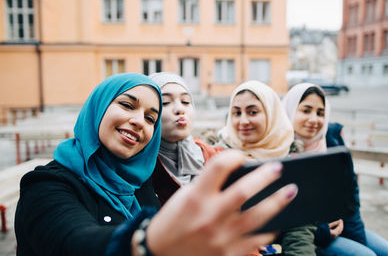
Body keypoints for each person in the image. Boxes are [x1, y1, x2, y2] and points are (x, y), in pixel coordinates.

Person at [14, 73, 299, 256]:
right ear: (98, 107)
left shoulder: (140, 183)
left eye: (151, 118)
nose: (140, 121)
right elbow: (75, 241)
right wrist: (145, 242)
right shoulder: (47, 185)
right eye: (127, 105)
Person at [282, 82, 388, 256]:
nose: (314, 119)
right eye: (306, 111)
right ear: (291, 110)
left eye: (320, 113)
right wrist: (322, 231)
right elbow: (288, 213)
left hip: (339, 224)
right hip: (309, 234)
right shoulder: (280, 149)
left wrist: (355, 235)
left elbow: (349, 194)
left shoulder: (331, 142)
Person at [218, 80, 316, 256]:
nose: (243, 121)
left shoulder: (290, 159)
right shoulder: (216, 158)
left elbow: (299, 228)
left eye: (252, 112)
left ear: (271, 113)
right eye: (236, 113)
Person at [148, 72, 223, 205]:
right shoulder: (139, 165)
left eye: (185, 102)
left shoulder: (214, 157)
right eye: (165, 102)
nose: (179, 109)